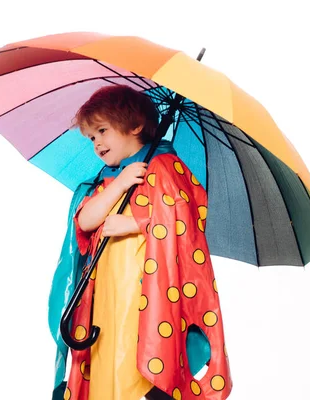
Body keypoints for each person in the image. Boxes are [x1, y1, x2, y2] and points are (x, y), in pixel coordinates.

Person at [48, 85, 231, 400]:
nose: (97, 143)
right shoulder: (106, 179)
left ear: (134, 127)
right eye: (92, 138)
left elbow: (183, 223)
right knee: (105, 362)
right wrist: (119, 184)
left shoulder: (164, 167)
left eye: (102, 131)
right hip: (105, 292)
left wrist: (133, 223)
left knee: (135, 360)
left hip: (147, 291)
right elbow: (85, 220)